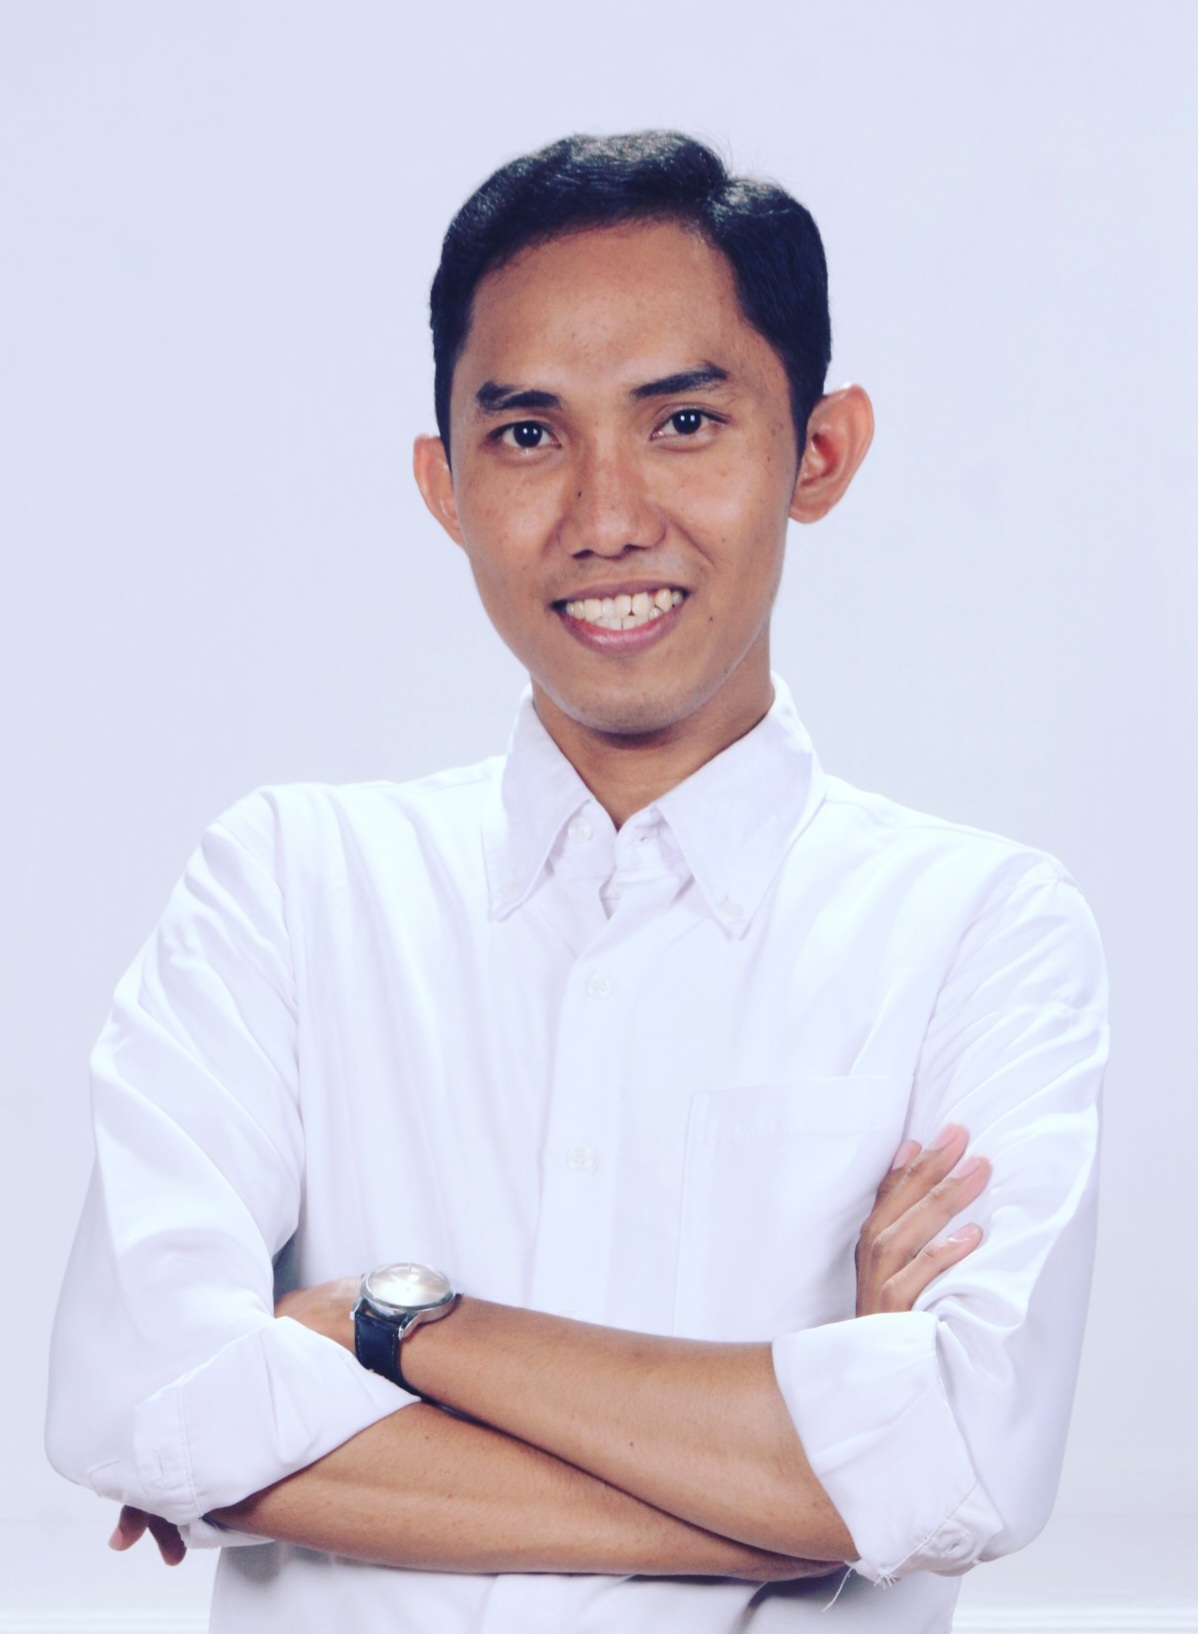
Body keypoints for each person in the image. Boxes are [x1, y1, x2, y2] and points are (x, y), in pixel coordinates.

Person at [46, 132, 1107, 1633]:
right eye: (530, 434)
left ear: (819, 451)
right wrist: (795, 1497)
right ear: (444, 484)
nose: (606, 516)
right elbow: (136, 1397)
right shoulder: (287, 885)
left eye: (684, 420)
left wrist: (393, 1325)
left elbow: (970, 1461)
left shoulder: (977, 931)